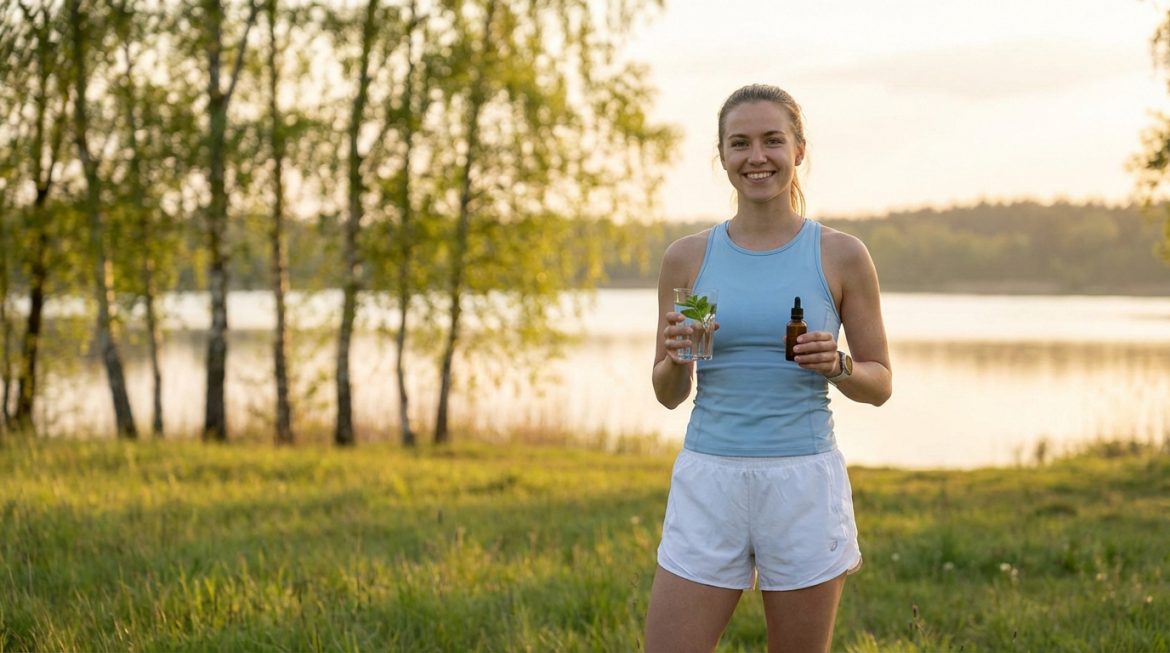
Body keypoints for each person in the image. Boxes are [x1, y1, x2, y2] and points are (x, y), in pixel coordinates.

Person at [644, 84, 893, 653]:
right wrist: (677, 359)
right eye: (740, 143)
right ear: (723, 156)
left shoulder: (839, 255)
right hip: (710, 479)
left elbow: (879, 383)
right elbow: (667, 392)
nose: (757, 157)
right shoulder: (689, 257)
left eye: (772, 141)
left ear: (798, 149)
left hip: (802, 482)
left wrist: (839, 363)